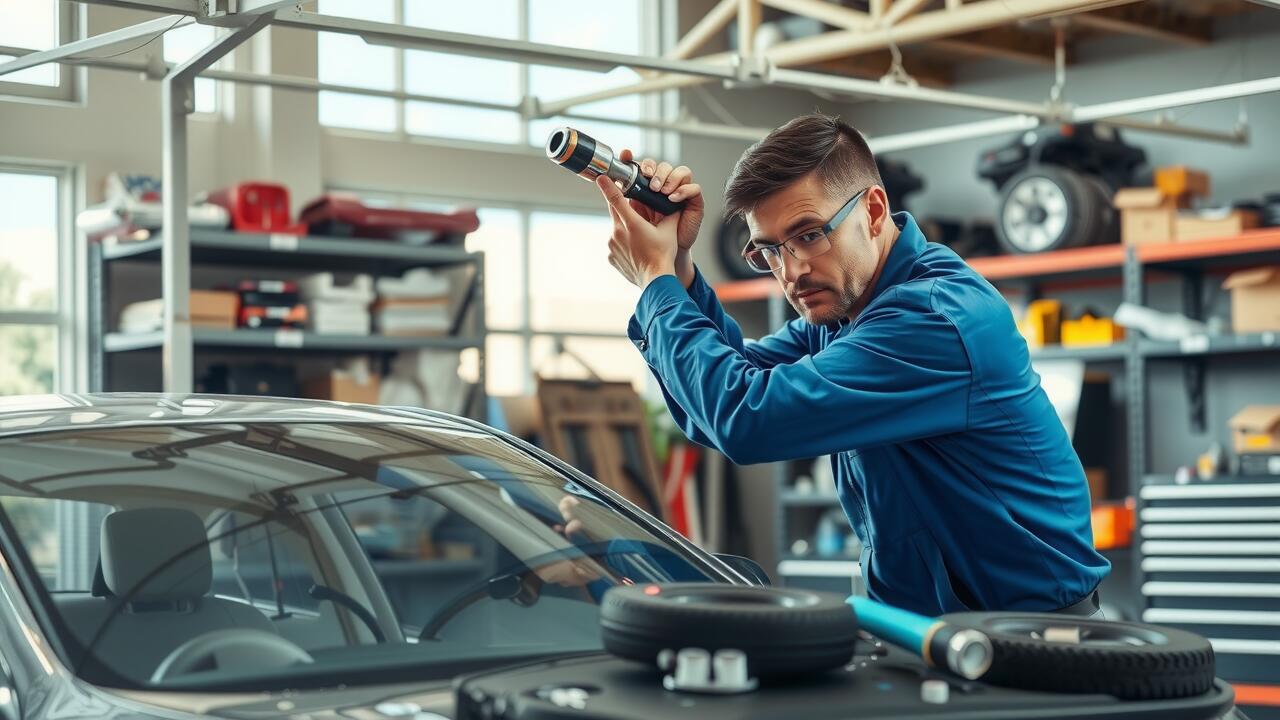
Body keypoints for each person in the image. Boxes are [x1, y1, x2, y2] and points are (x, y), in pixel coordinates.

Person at [594, 113, 1109, 617]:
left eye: (809, 234)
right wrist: (679, 270)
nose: (791, 271)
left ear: (875, 210)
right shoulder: (847, 313)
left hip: (1030, 641)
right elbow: (719, 397)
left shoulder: (932, 318)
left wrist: (655, 282)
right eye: (769, 250)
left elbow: (747, 418)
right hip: (927, 629)